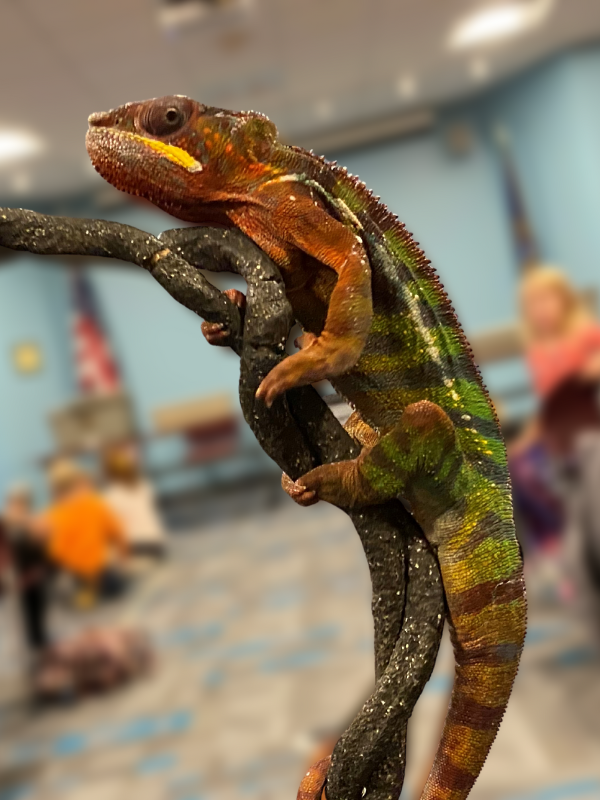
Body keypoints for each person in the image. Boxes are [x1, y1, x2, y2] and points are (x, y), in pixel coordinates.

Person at [509, 266, 600, 554]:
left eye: (547, 299)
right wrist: (524, 440)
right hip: (557, 434)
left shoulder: (585, 334)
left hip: (588, 426)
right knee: (519, 468)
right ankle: (557, 545)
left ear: (565, 300)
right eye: (533, 304)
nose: (541, 310)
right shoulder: (537, 352)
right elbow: (547, 406)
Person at [42, 459, 128, 607]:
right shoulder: (95, 503)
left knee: (69, 578)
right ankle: (91, 586)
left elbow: (52, 549)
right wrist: (123, 555)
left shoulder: (51, 514)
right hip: (97, 566)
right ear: (78, 482)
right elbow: (117, 532)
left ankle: (80, 587)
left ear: (54, 490)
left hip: (71, 568)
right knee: (118, 587)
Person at [1, 484, 52, 654]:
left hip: (31, 577)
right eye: (14, 503)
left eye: (22, 503)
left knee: (35, 613)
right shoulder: (5, 522)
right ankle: (35, 644)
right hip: (14, 578)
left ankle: (38, 643)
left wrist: (26, 521)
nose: (17, 507)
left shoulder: (35, 521)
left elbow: (45, 538)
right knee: (21, 618)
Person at [102, 444, 166, 561]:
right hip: (157, 544)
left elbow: (111, 529)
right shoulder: (145, 485)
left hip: (134, 546)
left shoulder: (109, 495)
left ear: (108, 471)